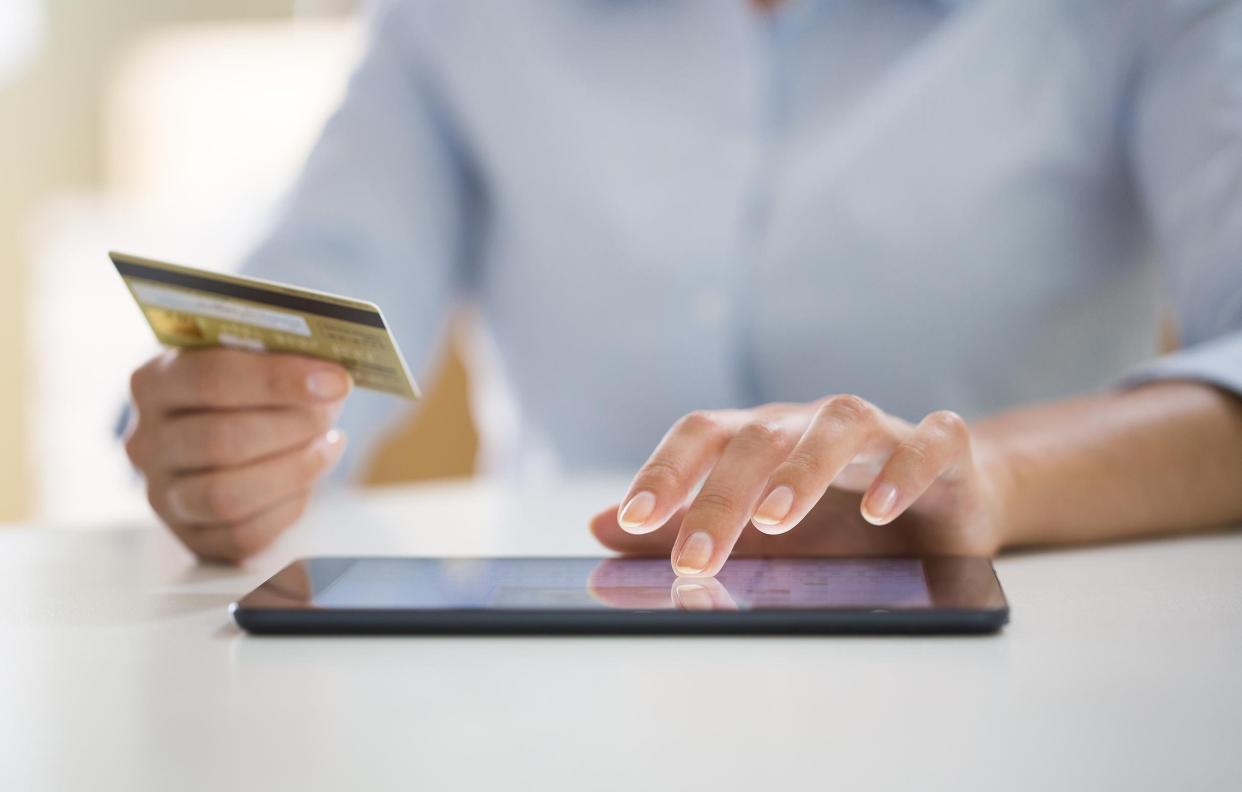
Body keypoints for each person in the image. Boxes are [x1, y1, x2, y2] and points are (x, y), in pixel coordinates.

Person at [122, 0, 1242, 574]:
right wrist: (226, 431)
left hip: (1038, 654)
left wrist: (982, 477)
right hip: (566, 661)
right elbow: (322, 296)